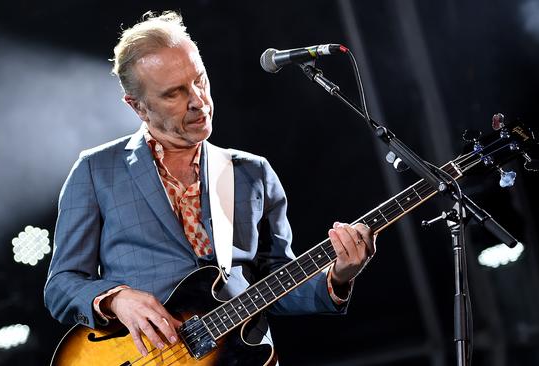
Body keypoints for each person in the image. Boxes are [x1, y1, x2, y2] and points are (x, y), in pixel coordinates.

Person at [44, 10, 376, 360]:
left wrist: (338, 275)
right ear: (138, 107)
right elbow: (62, 286)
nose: (198, 101)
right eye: (174, 94)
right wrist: (116, 298)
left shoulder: (253, 172)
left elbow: (277, 282)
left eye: (199, 80)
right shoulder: (96, 170)